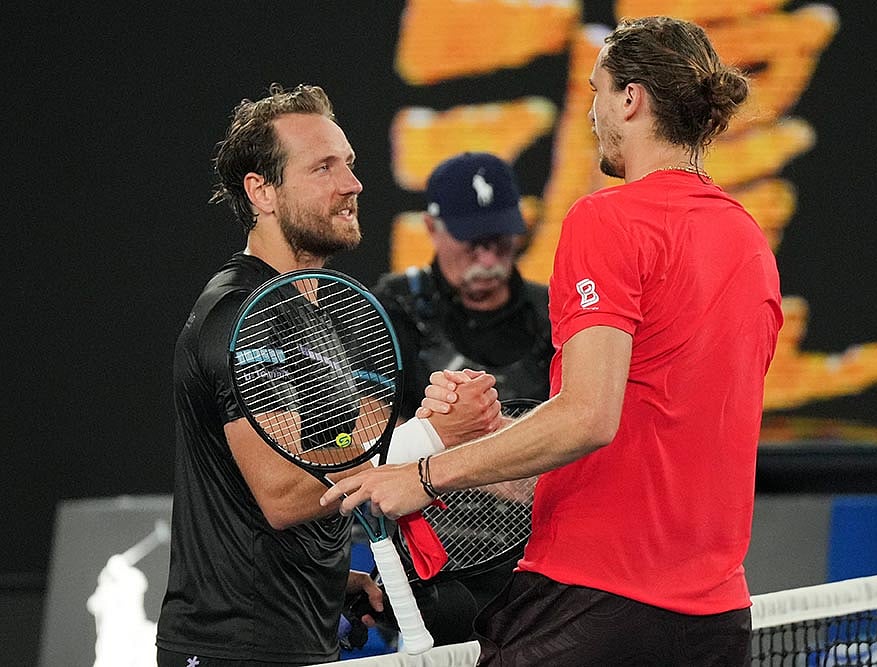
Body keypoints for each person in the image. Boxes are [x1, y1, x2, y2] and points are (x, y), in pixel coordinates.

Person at [323, 15, 783, 666]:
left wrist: (424, 474)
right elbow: (652, 427)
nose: (591, 112)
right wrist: (493, 433)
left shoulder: (607, 219)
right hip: (714, 620)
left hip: (592, 604)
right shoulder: (749, 243)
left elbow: (589, 417)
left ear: (631, 99)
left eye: (597, 91)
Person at [156, 83, 501, 667]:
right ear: (262, 192)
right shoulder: (239, 314)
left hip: (305, 638)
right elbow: (284, 494)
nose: (353, 184)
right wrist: (433, 435)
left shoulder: (337, 311)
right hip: (230, 651)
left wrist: (335, 579)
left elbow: (350, 454)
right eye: (324, 168)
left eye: (349, 163)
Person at [370, 151, 554, 632]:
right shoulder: (392, 310)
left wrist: (453, 440)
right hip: (431, 571)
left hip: (539, 569)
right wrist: (511, 454)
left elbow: (580, 447)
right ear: (432, 228)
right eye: (472, 242)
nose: (488, 259)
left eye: (500, 240)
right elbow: (371, 448)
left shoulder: (557, 315)